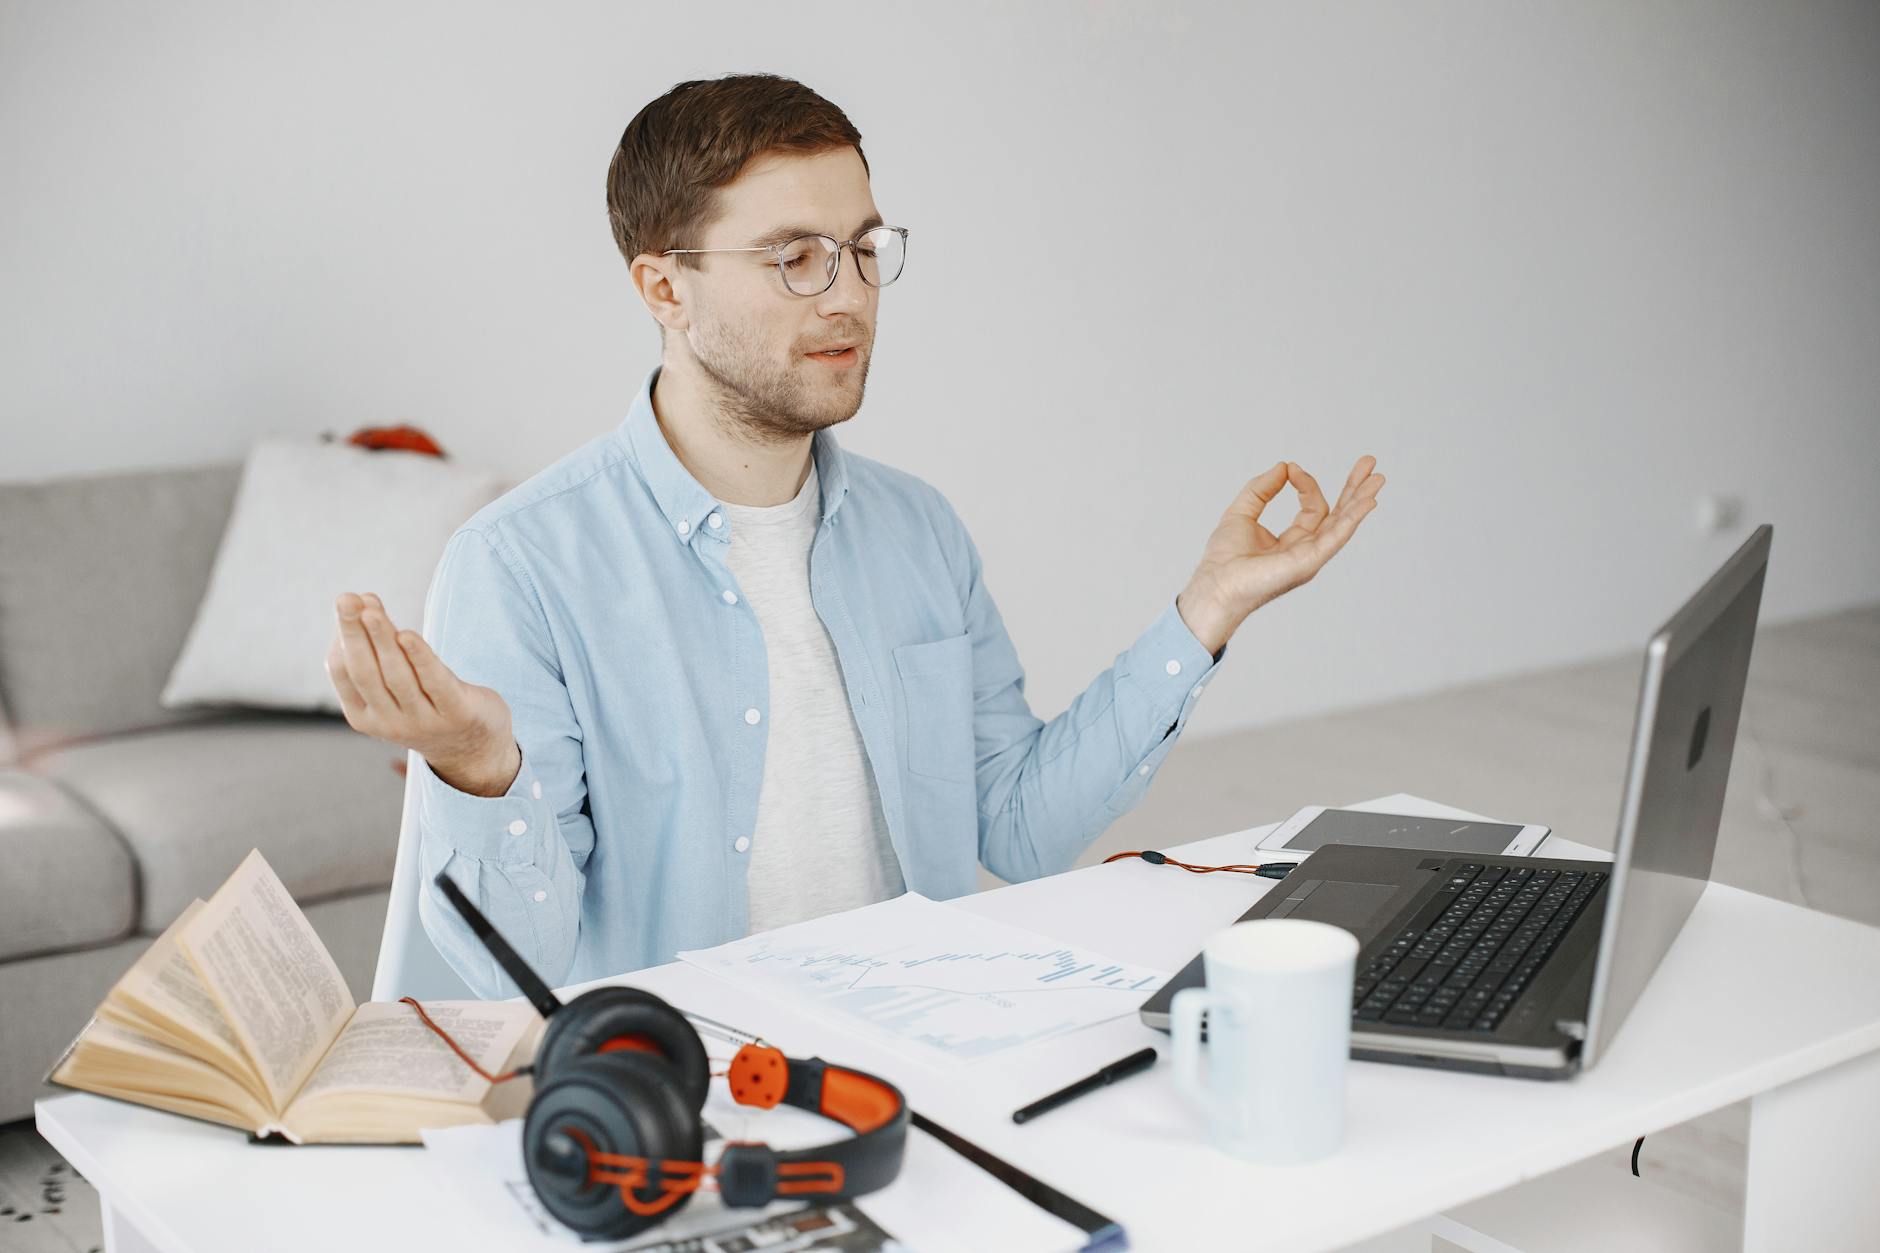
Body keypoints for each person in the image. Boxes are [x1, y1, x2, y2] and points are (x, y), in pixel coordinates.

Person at [324, 73, 1384, 999]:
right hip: (679, 1095)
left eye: (864, 249)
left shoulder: (916, 529)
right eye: (795, 258)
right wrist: (475, 763)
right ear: (662, 286)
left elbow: (1015, 828)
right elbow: (518, 954)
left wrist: (1204, 611)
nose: (850, 297)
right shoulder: (519, 565)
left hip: (918, 1051)